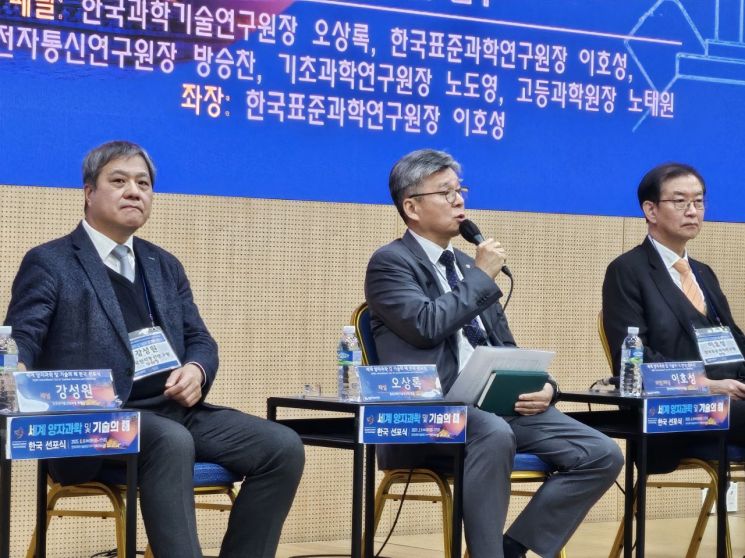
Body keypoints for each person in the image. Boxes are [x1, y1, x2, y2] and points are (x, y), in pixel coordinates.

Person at [5, 141, 305, 558]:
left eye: (143, 183)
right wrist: (16, 370)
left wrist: (198, 369)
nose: (134, 191)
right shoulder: (51, 261)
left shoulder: (164, 265)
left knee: (282, 446)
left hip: (173, 411)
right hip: (97, 424)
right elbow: (22, 338)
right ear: (89, 192)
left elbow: (200, 339)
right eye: (119, 181)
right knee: (171, 440)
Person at [364, 149, 623, 558]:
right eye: (445, 192)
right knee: (492, 431)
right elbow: (426, 325)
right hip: (430, 414)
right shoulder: (391, 264)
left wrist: (546, 388)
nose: (459, 200)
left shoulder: (467, 265)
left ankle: (513, 548)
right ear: (411, 207)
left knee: (601, 453)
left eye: (460, 190)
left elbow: (506, 348)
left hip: (496, 408)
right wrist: (480, 277)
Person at [602, 162, 745, 471]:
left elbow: (734, 341)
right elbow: (631, 359)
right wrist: (705, 384)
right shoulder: (627, 271)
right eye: (680, 202)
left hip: (730, 404)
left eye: (699, 201)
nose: (692, 211)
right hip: (678, 411)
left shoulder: (703, 274)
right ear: (651, 210)